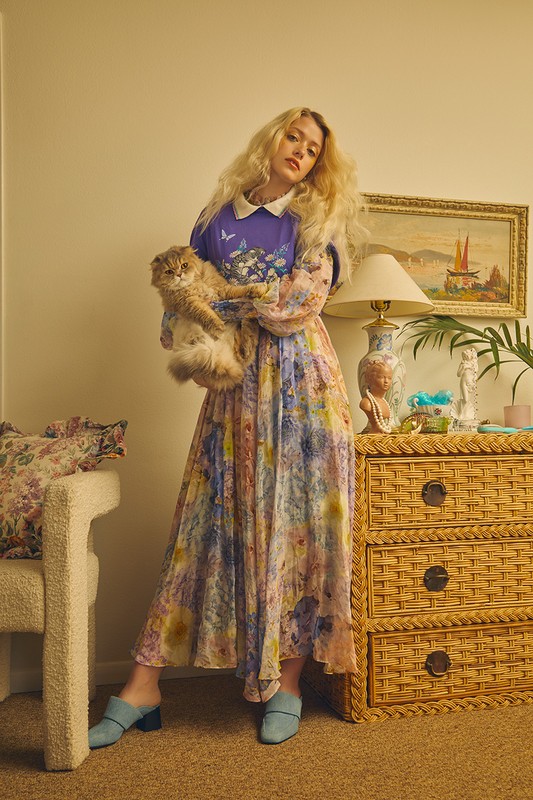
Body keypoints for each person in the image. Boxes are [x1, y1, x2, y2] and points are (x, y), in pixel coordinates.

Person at [89, 107, 367, 748]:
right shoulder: (214, 219)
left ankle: (286, 682)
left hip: (302, 391)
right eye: (293, 137)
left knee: (299, 528)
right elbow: (177, 313)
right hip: (235, 386)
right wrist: (205, 317)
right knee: (205, 522)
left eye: (313, 148)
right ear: (271, 139)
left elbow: (296, 305)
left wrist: (220, 301)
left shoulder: (314, 220)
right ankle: (143, 686)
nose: (300, 152)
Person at [359, 360, 393, 433]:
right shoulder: (367, 403)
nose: (386, 381)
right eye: (381, 377)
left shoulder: (384, 402)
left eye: (389, 378)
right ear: (371, 379)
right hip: (373, 437)